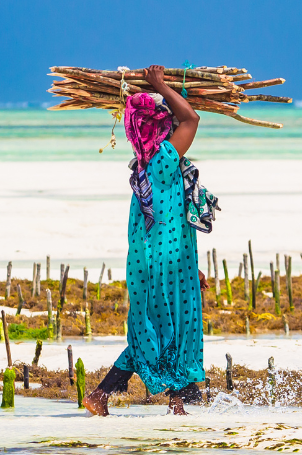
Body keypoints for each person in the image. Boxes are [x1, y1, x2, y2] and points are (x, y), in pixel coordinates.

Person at [86, 65, 212, 416]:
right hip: (165, 269)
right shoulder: (162, 161)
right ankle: (162, 399)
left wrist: (193, 268)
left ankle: (167, 401)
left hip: (160, 265)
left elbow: (166, 226)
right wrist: (160, 84)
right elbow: (192, 120)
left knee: (160, 329)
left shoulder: (145, 169)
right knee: (170, 329)